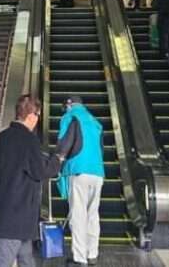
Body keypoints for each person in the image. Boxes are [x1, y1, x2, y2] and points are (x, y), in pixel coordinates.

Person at [0, 95, 63, 267]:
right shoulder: (29, 140)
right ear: (31, 116)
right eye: (38, 116)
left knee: (26, 258)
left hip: (7, 211)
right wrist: (57, 160)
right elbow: (40, 172)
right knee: (3, 261)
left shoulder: (0, 138)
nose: (37, 120)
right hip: (19, 213)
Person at [56, 96, 104, 266]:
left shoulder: (70, 117)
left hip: (78, 170)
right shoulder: (95, 121)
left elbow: (64, 143)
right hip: (98, 172)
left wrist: (57, 161)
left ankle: (79, 258)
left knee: (78, 215)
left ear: (69, 104)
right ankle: (92, 253)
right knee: (92, 214)